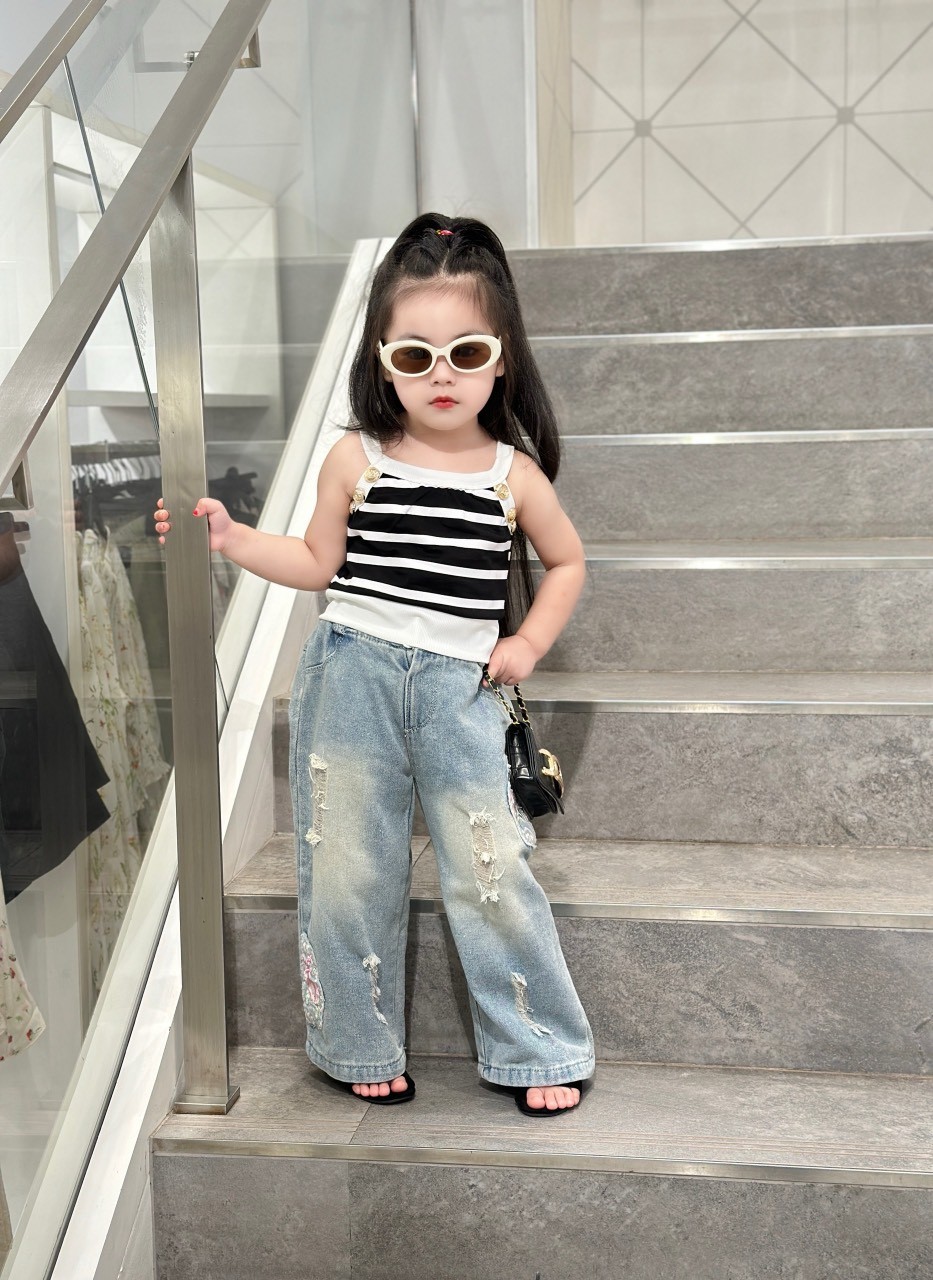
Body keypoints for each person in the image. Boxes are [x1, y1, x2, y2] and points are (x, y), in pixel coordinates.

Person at [155, 213, 594, 1115]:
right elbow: (316, 563)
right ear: (382, 360)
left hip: (463, 689)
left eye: (466, 353)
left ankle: (537, 1046)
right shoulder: (354, 457)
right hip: (351, 677)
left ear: (501, 358)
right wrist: (232, 539)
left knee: (490, 868)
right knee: (349, 867)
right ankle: (354, 1040)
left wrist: (526, 643)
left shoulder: (511, 474)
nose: (441, 375)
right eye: (414, 355)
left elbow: (567, 562)